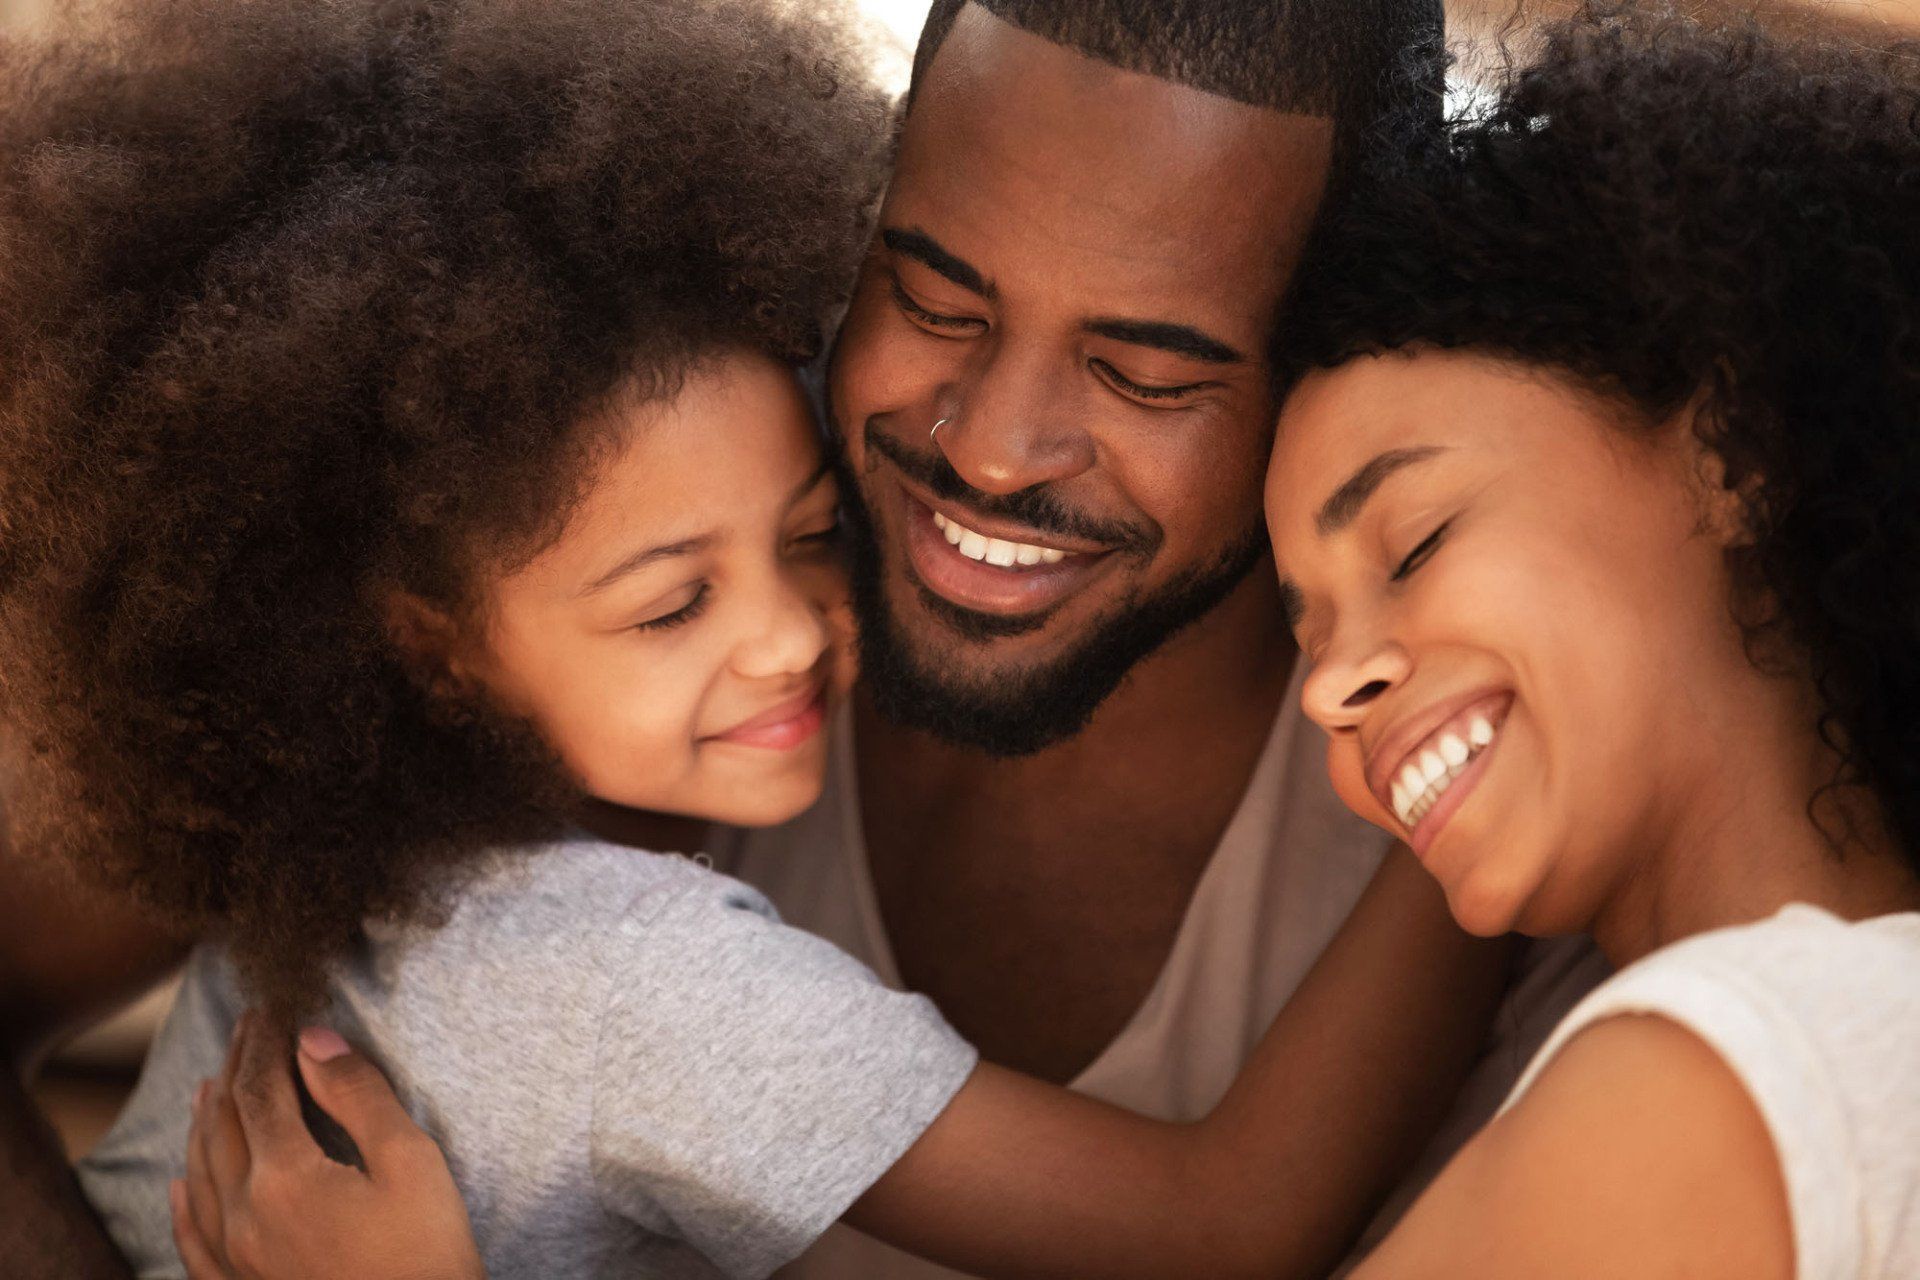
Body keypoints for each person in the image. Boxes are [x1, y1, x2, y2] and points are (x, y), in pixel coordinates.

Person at [0, 1, 1496, 1277]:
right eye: (928, 296)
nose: (987, 449)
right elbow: (1225, 1227)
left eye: (1142, 374)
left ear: (1333, 367)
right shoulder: (587, 490)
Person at [1256, 7, 1920, 1276]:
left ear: (1734, 456)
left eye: (1414, 543)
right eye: (1308, 634)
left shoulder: (1730, 1064)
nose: (1334, 686)